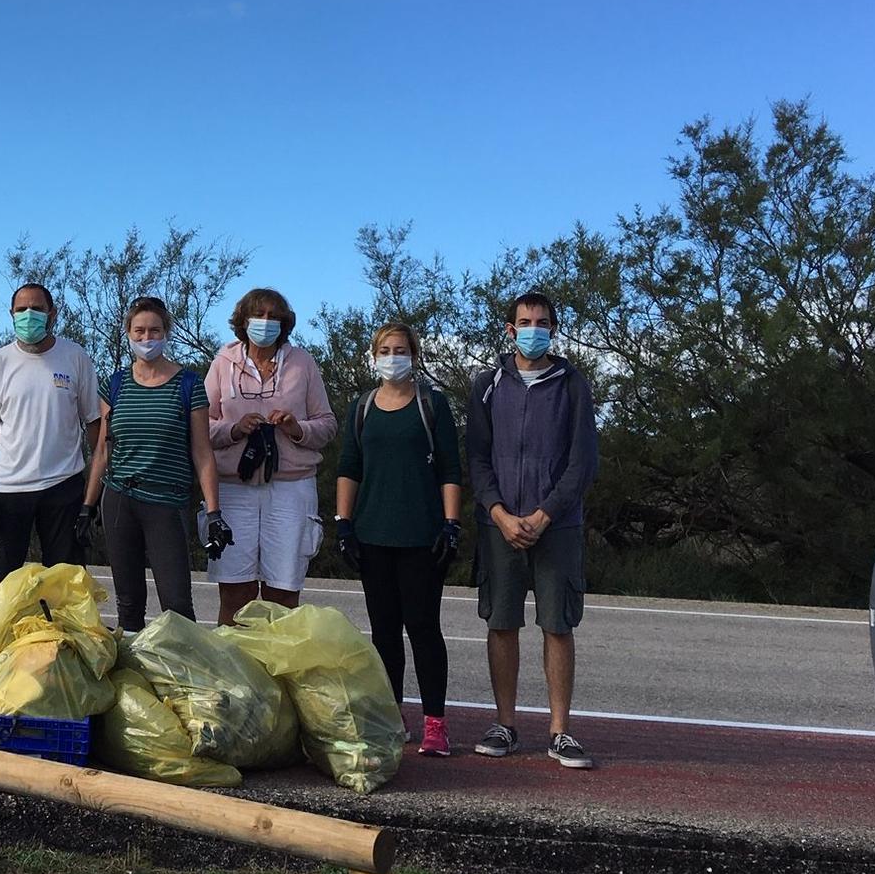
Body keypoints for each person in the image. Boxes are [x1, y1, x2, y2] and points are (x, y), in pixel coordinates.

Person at [465, 291, 600, 770]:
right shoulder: (486, 384)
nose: (533, 328)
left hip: (557, 527)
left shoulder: (573, 386)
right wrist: (499, 513)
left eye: (542, 321)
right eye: (525, 321)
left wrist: (544, 515)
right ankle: (505, 724)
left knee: (557, 625)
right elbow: (477, 459)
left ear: (553, 329)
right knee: (501, 624)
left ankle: (560, 730)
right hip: (497, 525)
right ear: (509, 329)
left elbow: (583, 462)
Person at [334, 323, 464, 757]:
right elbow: (349, 466)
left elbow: (449, 468)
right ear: (374, 356)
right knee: (384, 633)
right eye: (386, 350)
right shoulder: (362, 407)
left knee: (424, 629)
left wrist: (451, 523)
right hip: (373, 535)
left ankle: (436, 724)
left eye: (402, 349)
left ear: (415, 354)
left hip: (422, 536)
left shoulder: (432, 405)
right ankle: (392, 716)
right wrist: (344, 523)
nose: (394, 356)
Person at [81, 297, 230, 631]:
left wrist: (214, 512)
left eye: (154, 330)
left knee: (176, 604)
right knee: (129, 603)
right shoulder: (115, 384)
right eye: (139, 331)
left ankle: (182, 676)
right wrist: (87, 505)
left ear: (166, 333)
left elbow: (203, 452)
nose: (147, 337)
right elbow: (103, 451)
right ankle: (134, 678)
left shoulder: (188, 384)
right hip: (120, 499)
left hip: (166, 502)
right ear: (128, 334)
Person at [204, 288, 337, 625]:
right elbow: (200, 427)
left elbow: (328, 425)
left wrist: (297, 428)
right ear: (243, 321)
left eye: (273, 317)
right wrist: (234, 430)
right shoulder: (222, 362)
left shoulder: (302, 362)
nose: (265, 323)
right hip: (234, 489)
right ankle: (235, 672)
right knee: (235, 592)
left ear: (284, 324)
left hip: (291, 489)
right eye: (258, 315)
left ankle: (279, 673)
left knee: (283, 594)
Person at [0, 283, 100, 587]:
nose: (29, 315)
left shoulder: (75, 356)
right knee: (1, 581)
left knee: (67, 582)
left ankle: (64, 636)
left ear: (52, 313)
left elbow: (95, 425)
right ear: (11, 314)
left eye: (37, 309)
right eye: (21, 310)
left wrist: (96, 490)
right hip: (7, 488)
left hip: (63, 486)